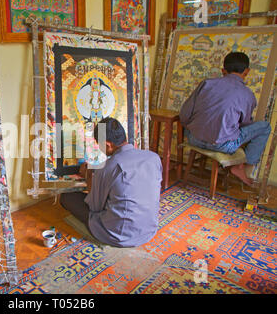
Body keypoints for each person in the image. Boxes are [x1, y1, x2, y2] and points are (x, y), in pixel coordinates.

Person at [59, 117, 162, 248]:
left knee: (67, 197)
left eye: (98, 144)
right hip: (148, 229)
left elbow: (94, 208)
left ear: (108, 145)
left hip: (119, 235)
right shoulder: (153, 157)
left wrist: (89, 175)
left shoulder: (107, 167)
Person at [179, 52, 271, 186]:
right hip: (223, 146)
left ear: (223, 71)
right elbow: (244, 124)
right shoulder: (247, 94)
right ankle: (241, 167)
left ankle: (238, 164)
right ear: (247, 71)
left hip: (194, 139)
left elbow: (184, 114)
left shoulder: (206, 83)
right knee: (265, 126)